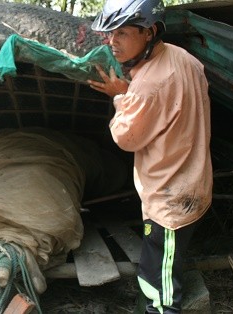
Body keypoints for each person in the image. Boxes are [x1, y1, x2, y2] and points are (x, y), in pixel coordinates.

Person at [86, 0, 212, 313]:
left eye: (123, 33)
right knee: (164, 263)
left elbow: (126, 138)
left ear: (150, 32)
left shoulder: (147, 84)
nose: (112, 41)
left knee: (161, 286)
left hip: (169, 199)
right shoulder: (183, 57)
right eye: (110, 33)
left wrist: (120, 97)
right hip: (192, 179)